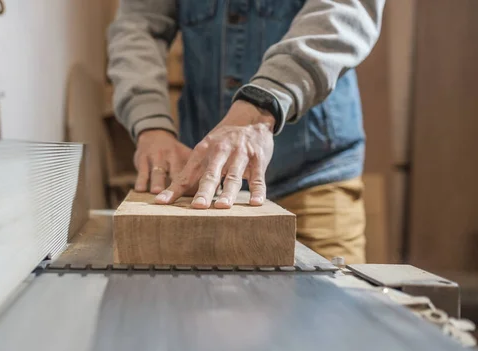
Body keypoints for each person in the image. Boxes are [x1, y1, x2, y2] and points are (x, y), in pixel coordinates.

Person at [107, 0, 385, 264]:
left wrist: (261, 105)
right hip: (203, 181)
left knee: (332, 308)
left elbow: (344, 12)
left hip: (313, 175)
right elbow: (138, 26)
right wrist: (150, 123)